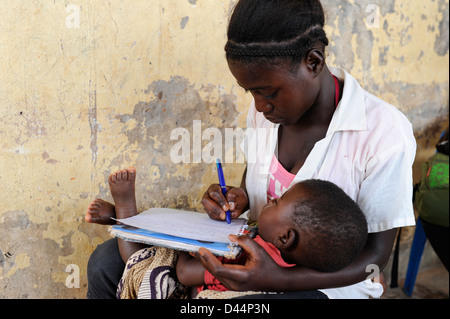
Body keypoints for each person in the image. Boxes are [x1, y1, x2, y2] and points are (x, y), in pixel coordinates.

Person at [86, 0, 416, 299]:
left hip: (322, 286)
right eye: (251, 93)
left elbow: (374, 258)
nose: (259, 107)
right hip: (253, 253)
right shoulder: (266, 116)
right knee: (105, 262)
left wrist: (276, 280)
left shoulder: (384, 132)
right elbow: (252, 190)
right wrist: (235, 199)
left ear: (313, 62)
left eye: (268, 92)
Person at [176, 179, 368, 298]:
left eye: (277, 201)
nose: (269, 200)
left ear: (284, 238)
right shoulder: (298, 265)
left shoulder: (252, 254)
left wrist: (187, 241)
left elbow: (184, 273)